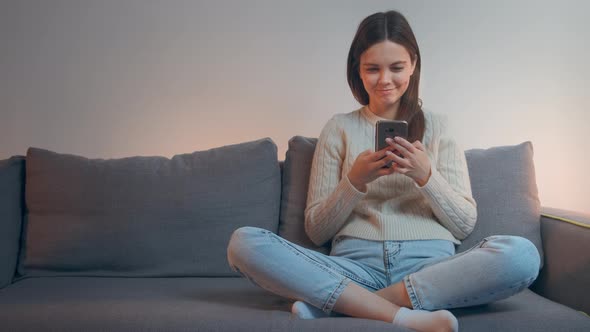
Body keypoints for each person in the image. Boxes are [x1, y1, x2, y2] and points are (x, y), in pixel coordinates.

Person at [227, 10, 540, 332]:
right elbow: (317, 231)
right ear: (357, 71)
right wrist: (355, 181)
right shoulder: (339, 128)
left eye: (397, 67)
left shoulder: (439, 127)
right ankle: (403, 314)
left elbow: (463, 225)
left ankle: (350, 306)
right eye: (372, 69)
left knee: (521, 255)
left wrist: (425, 177)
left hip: (431, 268)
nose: (385, 80)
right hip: (353, 267)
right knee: (244, 242)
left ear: (414, 65)